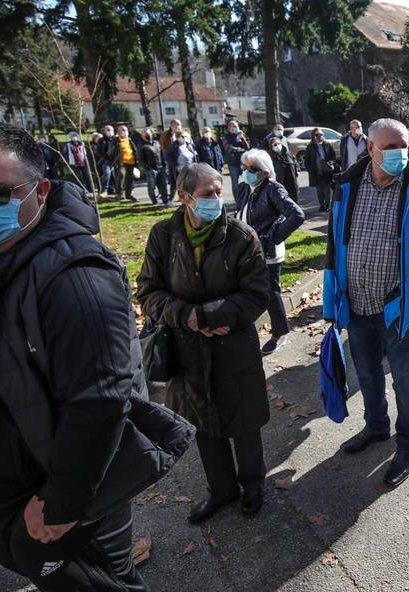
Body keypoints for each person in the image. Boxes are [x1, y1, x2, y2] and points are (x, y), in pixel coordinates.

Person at [0, 121, 195, 591]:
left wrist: (62, 505)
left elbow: (99, 402)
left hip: (54, 509)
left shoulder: (76, 277)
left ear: (40, 191)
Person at [136, 162, 270, 524]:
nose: (217, 199)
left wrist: (210, 316)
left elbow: (257, 294)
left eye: (218, 190)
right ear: (184, 197)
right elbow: (148, 291)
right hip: (186, 350)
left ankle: (253, 485)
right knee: (203, 423)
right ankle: (221, 490)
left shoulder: (242, 236)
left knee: (242, 421)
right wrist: (188, 316)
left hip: (233, 347)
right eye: (207, 193)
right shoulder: (164, 235)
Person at [323, 118, 409, 488]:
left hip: (398, 308)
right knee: (366, 372)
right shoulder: (345, 185)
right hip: (356, 302)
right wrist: (333, 297)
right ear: (371, 149)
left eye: (404, 147)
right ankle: (376, 426)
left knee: (406, 380)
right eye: (390, 147)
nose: (400, 154)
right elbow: (333, 244)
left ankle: (407, 444)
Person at [236, 149, 305, 354]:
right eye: (244, 167)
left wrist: (272, 237)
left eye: (252, 168)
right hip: (248, 250)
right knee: (251, 289)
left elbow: (296, 215)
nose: (246, 171)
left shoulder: (273, 188)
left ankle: (279, 332)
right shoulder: (245, 187)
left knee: (270, 292)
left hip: (268, 252)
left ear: (265, 172)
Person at [304, 127, 338, 212]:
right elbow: (306, 159)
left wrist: (330, 163)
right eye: (317, 135)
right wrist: (310, 169)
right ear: (313, 136)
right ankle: (321, 205)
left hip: (326, 171)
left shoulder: (327, 144)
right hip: (316, 171)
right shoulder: (310, 146)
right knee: (319, 190)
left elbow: (333, 156)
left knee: (327, 189)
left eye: (321, 134)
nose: (319, 136)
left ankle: (327, 205)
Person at [221, 119, 250, 200]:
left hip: (243, 162)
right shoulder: (225, 137)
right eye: (234, 126)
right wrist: (242, 149)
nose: (236, 128)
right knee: (235, 183)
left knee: (247, 180)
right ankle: (237, 200)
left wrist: (243, 138)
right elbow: (229, 148)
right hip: (233, 163)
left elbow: (247, 148)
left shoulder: (240, 136)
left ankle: (246, 198)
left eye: (237, 126)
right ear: (229, 128)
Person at [140, 129, 169, 205]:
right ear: (142, 135)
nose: (147, 135)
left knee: (163, 185)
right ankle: (154, 201)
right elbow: (140, 159)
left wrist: (164, 164)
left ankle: (165, 201)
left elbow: (162, 153)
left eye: (148, 133)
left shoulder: (157, 143)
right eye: (145, 134)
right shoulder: (142, 145)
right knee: (151, 186)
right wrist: (147, 168)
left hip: (160, 167)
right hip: (151, 169)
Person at [267, 135, 299, 200]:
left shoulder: (288, 153)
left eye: (278, 143)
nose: (277, 146)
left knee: (294, 197)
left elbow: (295, 161)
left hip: (291, 180)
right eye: (275, 145)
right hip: (280, 181)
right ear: (271, 146)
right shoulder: (269, 157)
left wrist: (297, 170)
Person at [112, 125, 138, 202]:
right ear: (118, 132)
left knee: (130, 179)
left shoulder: (129, 140)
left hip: (131, 162)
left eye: (125, 130)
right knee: (121, 175)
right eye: (122, 130)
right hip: (121, 162)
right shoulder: (116, 141)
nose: (124, 131)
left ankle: (128, 194)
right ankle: (119, 194)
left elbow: (134, 150)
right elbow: (111, 152)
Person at [99, 125, 118, 197]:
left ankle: (118, 190)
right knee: (107, 174)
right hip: (107, 160)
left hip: (116, 160)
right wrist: (103, 158)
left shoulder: (116, 139)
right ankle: (105, 190)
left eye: (111, 130)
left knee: (117, 175)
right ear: (104, 131)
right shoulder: (101, 140)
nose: (110, 131)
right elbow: (98, 151)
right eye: (108, 130)